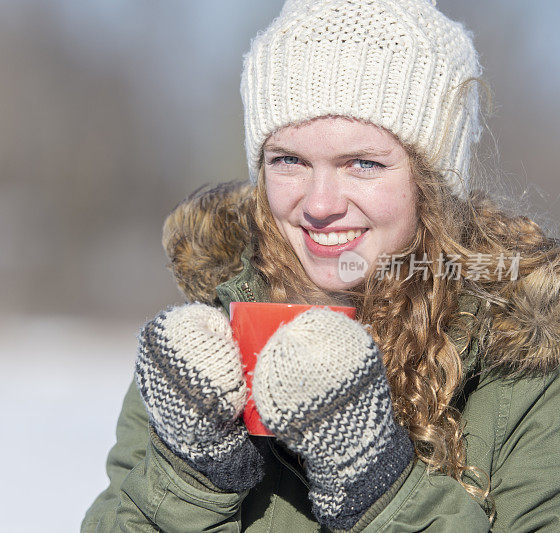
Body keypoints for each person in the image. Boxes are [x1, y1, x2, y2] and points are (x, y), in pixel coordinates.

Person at [82, 0, 560, 531]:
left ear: (434, 182)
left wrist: (378, 486)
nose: (320, 203)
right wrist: (188, 477)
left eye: (363, 163)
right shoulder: (207, 342)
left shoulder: (525, 361)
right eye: (289, 160)